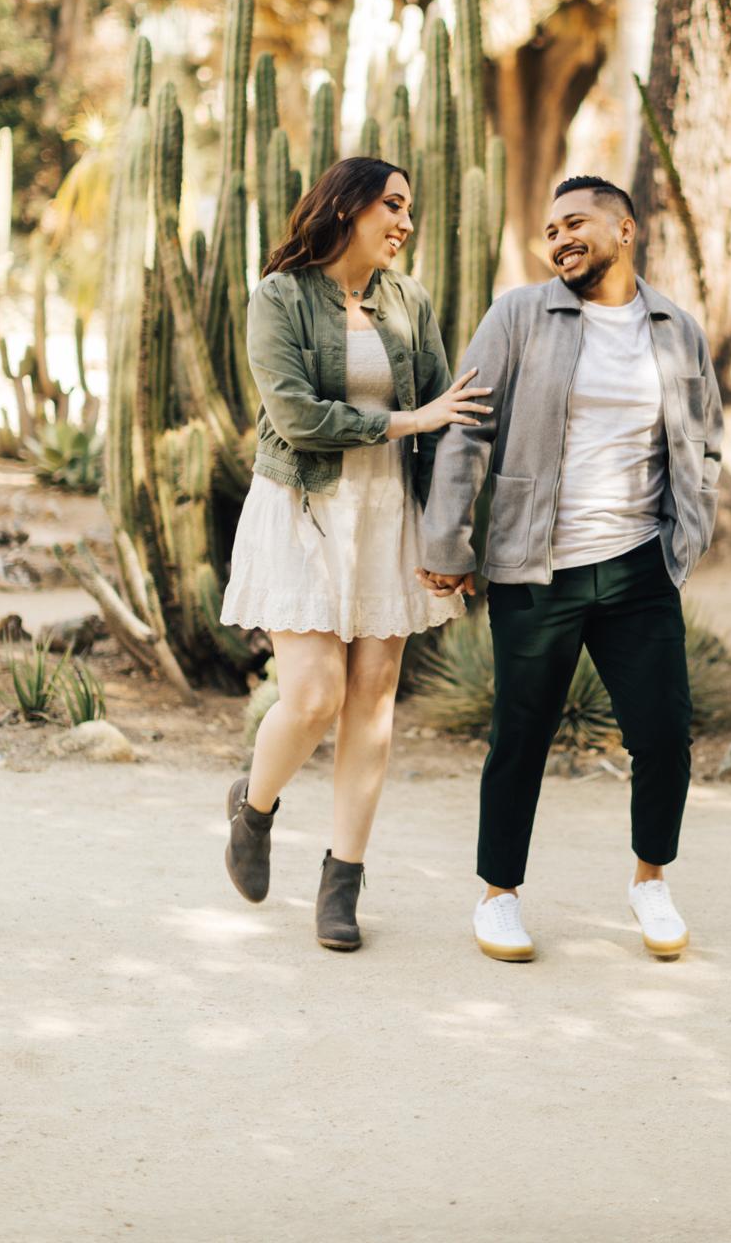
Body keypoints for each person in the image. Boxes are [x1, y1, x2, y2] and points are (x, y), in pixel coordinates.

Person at [418, 175, 723, 963]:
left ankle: (650, 882)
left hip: (639, 567)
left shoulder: (676, 330)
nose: (559, 239)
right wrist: (448, 545)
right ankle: (499, 896)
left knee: (664, 735)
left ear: (624, 230)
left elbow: (705, 441)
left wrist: (688, 536)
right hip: (536, 566)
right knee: (520, 736)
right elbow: (466, 431)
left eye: (576, 223)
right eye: (551, 230)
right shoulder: (518, 315)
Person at [220, 156, 491, 951]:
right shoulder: (280, 297)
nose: (405, 221)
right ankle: (253, 808)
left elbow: (450, 421)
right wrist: (411, 420)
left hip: (386, 516)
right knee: (312, 698)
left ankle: (342, 881)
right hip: (305, 510)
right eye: (392, 205)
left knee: (372, 701)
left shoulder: (408, 301)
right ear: (346, 206)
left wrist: (450, 540)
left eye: (409, 208)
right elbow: (298, 418)